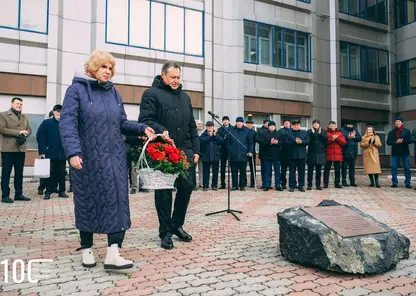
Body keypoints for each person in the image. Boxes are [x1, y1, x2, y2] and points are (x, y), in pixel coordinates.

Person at [60, 50, 154, 269]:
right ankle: (86, 248)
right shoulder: (76, 90)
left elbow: (121, 123)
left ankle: (113, 252)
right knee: (88, 202)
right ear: (92, 68)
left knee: (117, 202)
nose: (108, 72)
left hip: (115, 160)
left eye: (110, 68)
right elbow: (68, 123)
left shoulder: (113, 93)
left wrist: (141, 128)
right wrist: (73, 152)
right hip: (88, 159)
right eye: (104, 67)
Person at [139, 61, 200, 250]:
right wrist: (161, 130)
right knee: (164, 192)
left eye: (178, 77)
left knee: (187, 186)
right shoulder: (151, 94)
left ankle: (176, 225)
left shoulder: (185, 97)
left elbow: (191, 125)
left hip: (185, 150)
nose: (176, 81)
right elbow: (145, 119)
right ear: (163, 75)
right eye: (172, 77)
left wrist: (196, 150)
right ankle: (165, 232)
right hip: (164, 151)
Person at [0, 97, 32, 203]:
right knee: (6, 173)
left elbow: (29, 129)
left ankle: (19, 194)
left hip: (21, 148)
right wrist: (19, 133)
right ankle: (5, 195)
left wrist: (25, 134)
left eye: (21, 104)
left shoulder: (25, 116)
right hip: (8, 149)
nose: (19, 106)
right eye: (17, 103)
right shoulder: (3, 115)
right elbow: (2, 129)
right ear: (12, 104)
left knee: (19, 173)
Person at [37, 104, 69, 200]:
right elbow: (41, 137)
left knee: (61, 173)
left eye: (61, 111)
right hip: (50, 152)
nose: (60, 113)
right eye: (58, 111)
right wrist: (42, 151)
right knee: (50, 173)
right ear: (54, 112)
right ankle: (48, 192)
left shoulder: (66, 123)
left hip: (62, 153)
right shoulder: (47, 123)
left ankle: (62, 191)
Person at [257, 121, 284, 191]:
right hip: (267, 155)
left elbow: (283, 142)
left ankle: (278, 185)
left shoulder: (279, 133)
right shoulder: (264, 133)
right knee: (267, 172)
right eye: (270, 126)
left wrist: (277, 142)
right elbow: (261, 142)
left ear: (275, 127)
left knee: (277, 172)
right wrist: (270, 142)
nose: (272, 127)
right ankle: (267, 185)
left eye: (273, 126)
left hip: (277, 156)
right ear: (268, 127)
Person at [229, 117, 253, 191]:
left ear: (243, 123)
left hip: (243, 154)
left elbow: (250, 142)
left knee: (243, 172)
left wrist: (250, 151)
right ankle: (235, 186)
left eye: (240, 122)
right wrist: (230, 150)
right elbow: (228, 142)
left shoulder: (247, 131)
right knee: (234, 171)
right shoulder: (231, 130)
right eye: (237, 122)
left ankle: (242, 186)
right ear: (236, 123)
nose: (239, 123)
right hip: (233, 155)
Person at [387, 116, 412, 188]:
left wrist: (403, 141)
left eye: (398, 121)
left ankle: (407, 183)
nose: (397, 123)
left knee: (407, 168)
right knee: (394, 168)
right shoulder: (391, 132)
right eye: (396, 122)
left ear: (401, 123)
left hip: (405, 152)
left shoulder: (406, 131)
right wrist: (396, 142)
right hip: (395, 152)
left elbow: (410, 140)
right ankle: (394, 182)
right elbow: (388, 142)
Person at [199, 121, 224, 191]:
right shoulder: (203, 134)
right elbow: (202, 141)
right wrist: (211, 137)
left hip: (215, 156)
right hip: (206, 156)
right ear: (206, 127)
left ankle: (214, 185)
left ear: (213, 127)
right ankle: (205, 186)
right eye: (208, 126)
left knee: (215, 172)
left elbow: (221, 141)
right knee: (206, 172)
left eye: (211, 126)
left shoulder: (217, 134)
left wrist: (215, 136)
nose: (209, 128)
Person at [286, 120, 309, 192]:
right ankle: (292, 186)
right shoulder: (288, 133)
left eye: (297, 125)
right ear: (292, 126)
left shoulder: (304, 132)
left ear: (299, 125)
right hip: (291, 155)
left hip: (302, 156)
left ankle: (301, 185)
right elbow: (286, 142)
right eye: (294, 125)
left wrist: (301, 142)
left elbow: (308, 141)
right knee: (292, 171)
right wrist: (294, 141)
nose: (296, 126)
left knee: (301, 171)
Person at [37, 110, 56, 195]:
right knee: (44, 170)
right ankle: (41, 188)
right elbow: (39, 137)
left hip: (54, 152)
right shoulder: (45, 124)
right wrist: (42, 150)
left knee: (54, 171)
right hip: (46, 151)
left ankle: (53, 187)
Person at [324, 121, 346, 188]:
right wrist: (332, 139)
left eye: (333, 126)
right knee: (326, 169)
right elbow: (324, 142)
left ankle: (337, 183)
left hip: (337, 154)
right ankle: (325, 183)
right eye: (331, 126)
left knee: (337, 169)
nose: (332, 127)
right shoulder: (326, 133)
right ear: (329, 126)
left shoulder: (339, 133)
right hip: (328, 154)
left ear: (336, 126)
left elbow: (344, 142)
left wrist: (337, 138)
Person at [306, 119, 327, 190]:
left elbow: (325, 140)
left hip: (320, 153)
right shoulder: (309, 131)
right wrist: (313, 133)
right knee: (310, 171)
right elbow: (308, 141)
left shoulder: (323, 131)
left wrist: (320, 134)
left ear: (319, 125)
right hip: (311, 153)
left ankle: (318, 185)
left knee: (319, 171)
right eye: (314, 123)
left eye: (317, 123)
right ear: (312, 125)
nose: (315, 124)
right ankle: (309, 185)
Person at [340, 121, 362, 187]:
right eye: (348, 124)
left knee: (352, 168)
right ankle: (344, 181)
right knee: (344, 168)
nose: (350, 125)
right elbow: (340, 139)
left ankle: (352, 182)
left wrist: (354, 137)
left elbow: (360, 138)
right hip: (345, 151)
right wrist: (348, 138)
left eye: (351, 124)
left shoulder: (355, 130)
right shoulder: (341, 130)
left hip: (353, 152)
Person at [218, 116, 232, 189]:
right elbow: (219, 139)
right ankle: (223, 183)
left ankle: (233, 183)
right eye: (224, 120)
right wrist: (225, 137)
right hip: (223, 151)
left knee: (232, 167)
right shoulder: (220, 129)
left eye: (227, 120)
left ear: (229, 121)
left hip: (231, 151)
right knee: (222, 168)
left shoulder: (232, 128)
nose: (225, 121)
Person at [255, 119, 269, 189]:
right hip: (263, 152)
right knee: (263, 169)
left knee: (269, 169)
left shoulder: (272, 130)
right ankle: (264, 183)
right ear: (263, 124)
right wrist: (265, 141)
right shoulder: (259, 130)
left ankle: (268, 183)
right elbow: (257, 139)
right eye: (266, 123)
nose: (267, 124)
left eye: (268, 123)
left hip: (271, 152)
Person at [245, 114, 257, 188]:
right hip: (244, 152)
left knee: (252, 168)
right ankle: (244, 182)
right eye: (248, 124)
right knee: (243, 168)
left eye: (250, 124)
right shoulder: (244, 131)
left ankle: (253, 182)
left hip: (252, 152)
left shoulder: (254, 132)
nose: (249, 125)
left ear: (252, 125)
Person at [279, 119, 291, 189]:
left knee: (292, 170)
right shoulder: (280, 131)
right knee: (283, 169)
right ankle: (283, 183)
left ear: (289, 124)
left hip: (291, 153)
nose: (286, 124)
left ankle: (293, 183)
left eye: (288, 123)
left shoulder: (292, 130)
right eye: (285, 123)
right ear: (283, 124)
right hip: (283, 153)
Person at [193, 120, 204, 190]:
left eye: (201, 124)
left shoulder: (203, 133)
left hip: (202, 154)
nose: (200, 125)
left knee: (201, 169)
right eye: (198, 124)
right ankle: (193, 184)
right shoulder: (193, 132)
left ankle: (201, 183)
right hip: (194, 154)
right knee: (193, 170)